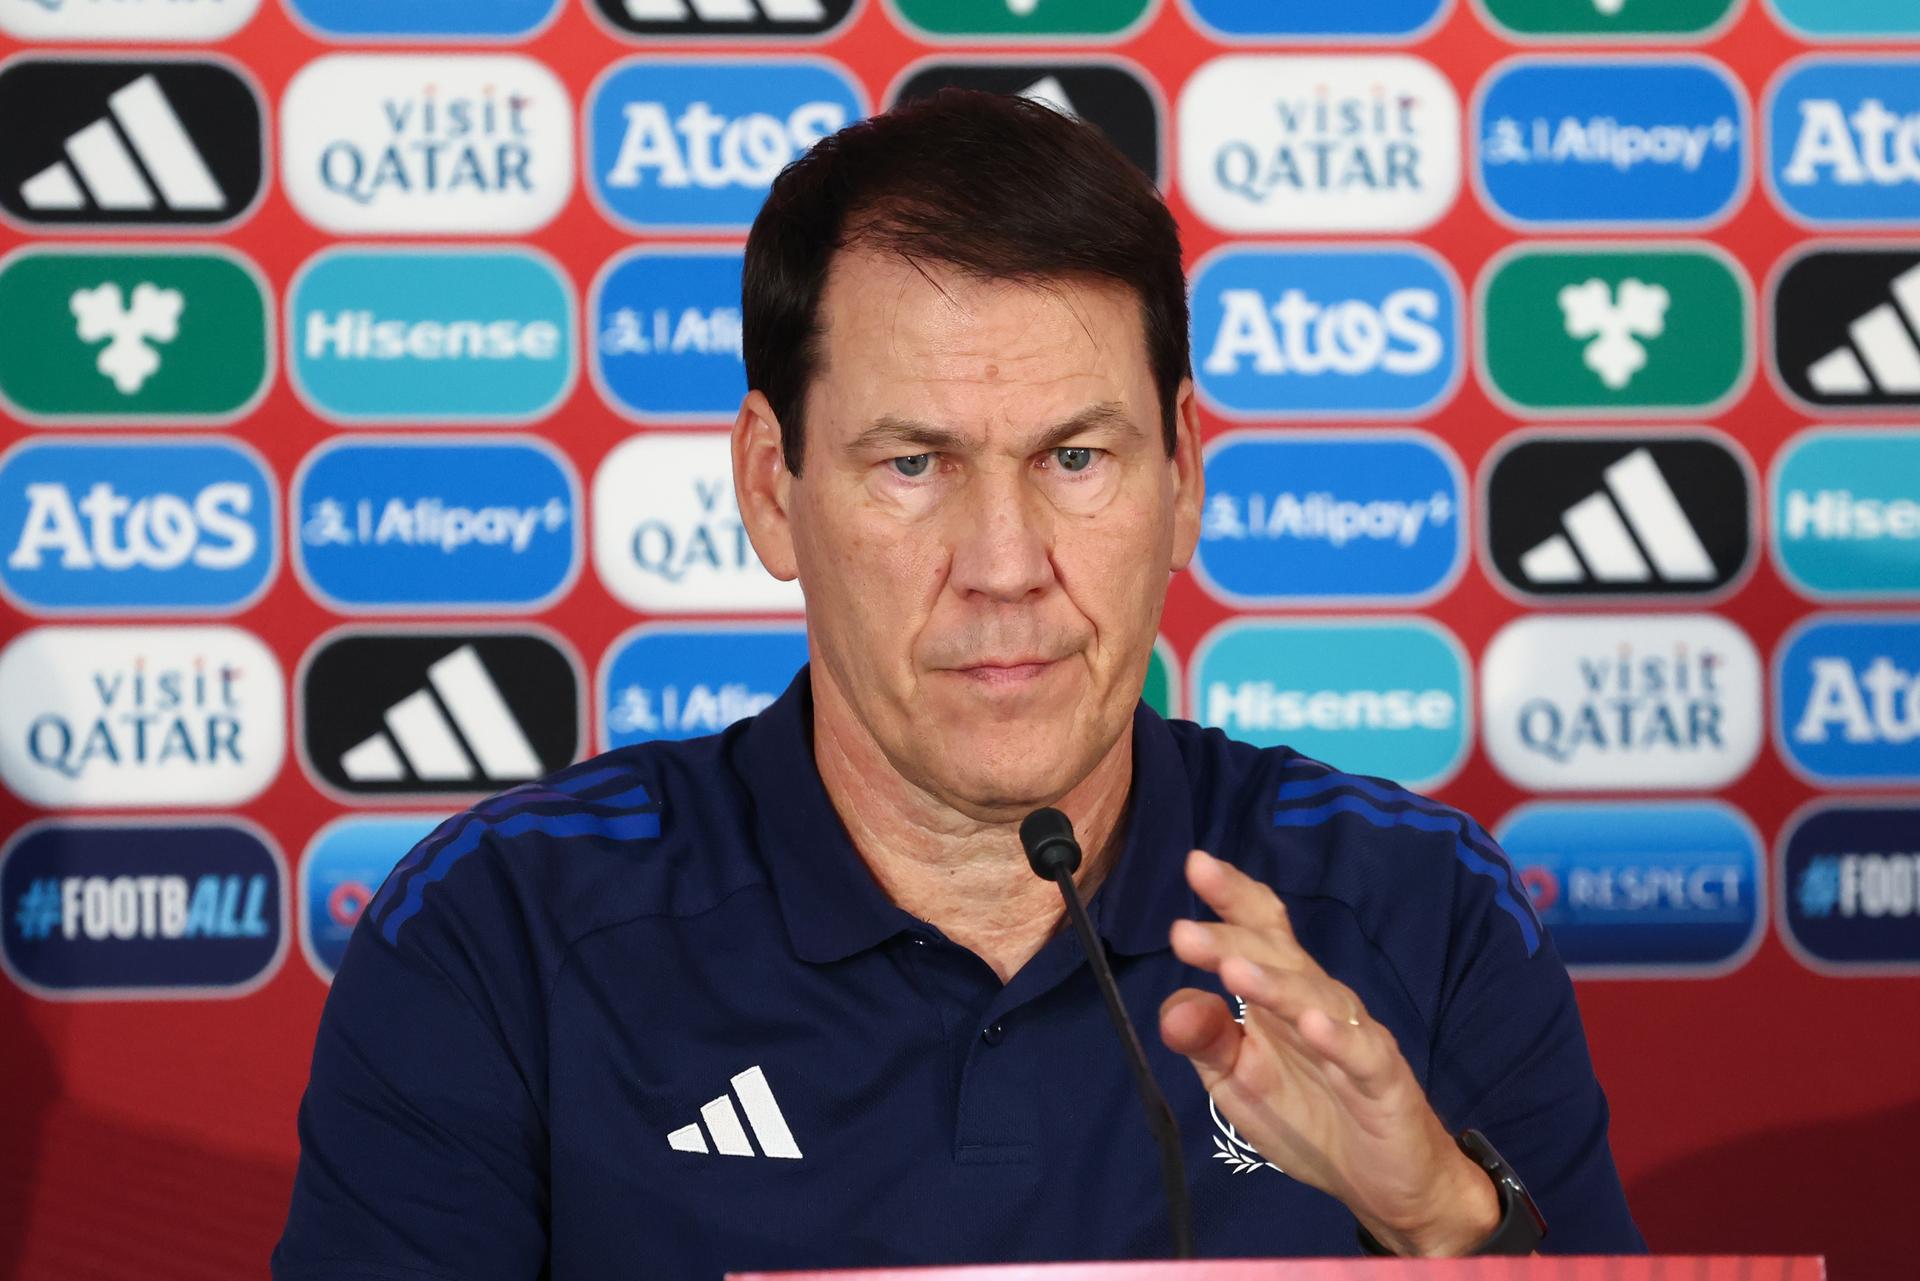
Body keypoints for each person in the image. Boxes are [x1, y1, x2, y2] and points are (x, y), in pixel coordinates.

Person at [273, 89, 1643, 1279]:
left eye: (1076, 458)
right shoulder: (499, 935)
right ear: (772, 486)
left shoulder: (1419, 909)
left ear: (1183, 475)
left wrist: (1446, 1223)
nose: (1005, 566)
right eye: (914, 463)